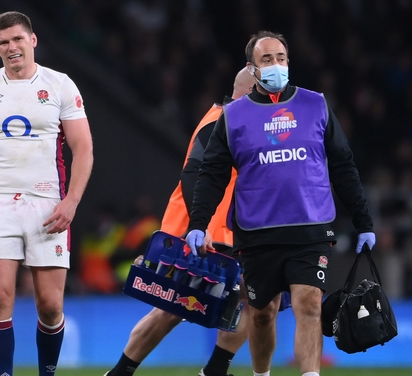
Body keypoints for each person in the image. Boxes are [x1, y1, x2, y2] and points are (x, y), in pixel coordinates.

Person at [187, 31, 375, 376]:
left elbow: (343, 164)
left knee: (309, 303)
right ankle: (262, 375)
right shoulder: (233, 117)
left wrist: (364, 220)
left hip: (311, 226)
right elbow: (211, 174)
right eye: (267, 59)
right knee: (261, 314)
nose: (276, 65)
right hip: (257, 231)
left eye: (281, 58)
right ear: (252, 68)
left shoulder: (315, 104)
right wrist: (198, 223)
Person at [0, 11, 94, 376]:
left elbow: (83, 148)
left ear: (33, 40)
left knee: (49, 305)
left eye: (17, 39)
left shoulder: (60, 85)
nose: (11, 47)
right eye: (3, 43)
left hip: (48, 204)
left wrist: (71, 201)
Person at [105, 68, 254, 376]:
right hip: (202, 233)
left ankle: (214, 370)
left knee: (254, 301)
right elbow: (193, 175)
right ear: (249, 92)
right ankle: (120, 372)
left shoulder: (248, 125)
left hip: (234, 231)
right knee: (173, 307)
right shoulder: (218, 123)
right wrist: (202, 227)